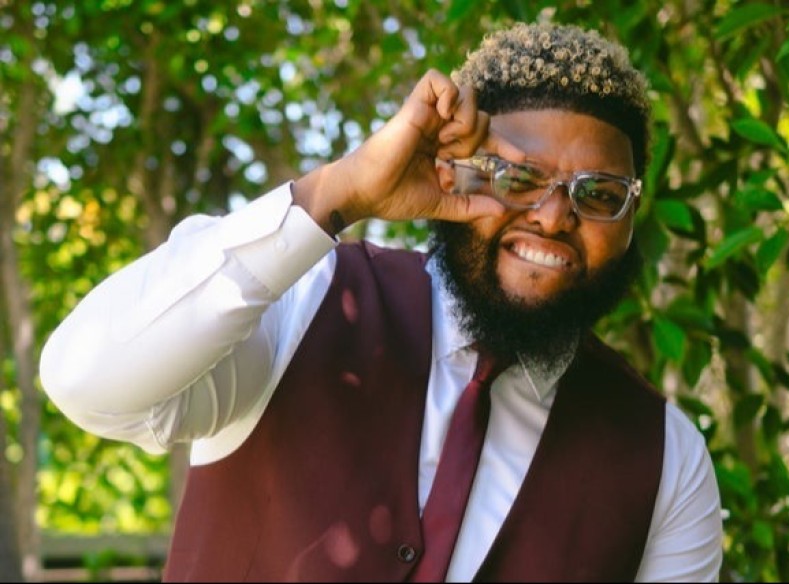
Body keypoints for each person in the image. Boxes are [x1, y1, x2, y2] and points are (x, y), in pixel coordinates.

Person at [40, 22, 723, 582]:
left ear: (631, 221)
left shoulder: (665, 458)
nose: (551, 217)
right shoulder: (303, 300)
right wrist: (340, 193)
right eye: (517, 177)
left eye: (598, 194)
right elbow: (86, 380)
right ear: (454, 173)